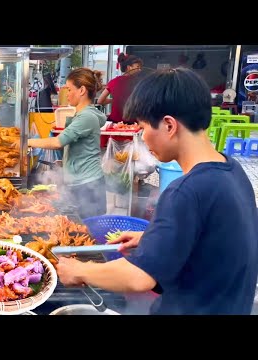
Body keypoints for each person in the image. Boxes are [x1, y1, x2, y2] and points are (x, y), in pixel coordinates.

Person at [57, 68, 258, 315]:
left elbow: (139, 277)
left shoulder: (185, 191)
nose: (142, 137)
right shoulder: (231, 171)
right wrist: (150, 240)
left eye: (142, 128)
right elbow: (215, 243)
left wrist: (79, 270)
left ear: (169, 125)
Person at [28, 67, 107, 219]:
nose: (66, 94)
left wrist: (27, 142)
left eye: (69, 89)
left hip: (87, 185)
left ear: (82, 90)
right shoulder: (81, 114)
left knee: (87, 232)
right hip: (80, 181)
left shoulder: (87, 116)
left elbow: (58, 142)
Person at [96, 53, 144, 124]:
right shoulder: (140, 82)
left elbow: (100, 101)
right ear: (129, 67)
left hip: (114, 122)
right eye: (137, 67)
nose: (139, 70)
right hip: (134, 123)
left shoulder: (113, 81)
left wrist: (114, 100)